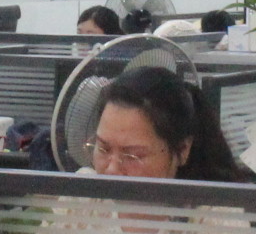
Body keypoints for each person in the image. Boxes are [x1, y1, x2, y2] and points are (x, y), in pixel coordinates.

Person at [88, 65, 245, 182]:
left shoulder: (219, 214)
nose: (112, 170)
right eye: (103, 149)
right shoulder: (81, 201)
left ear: (183, 150)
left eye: (133, 156)